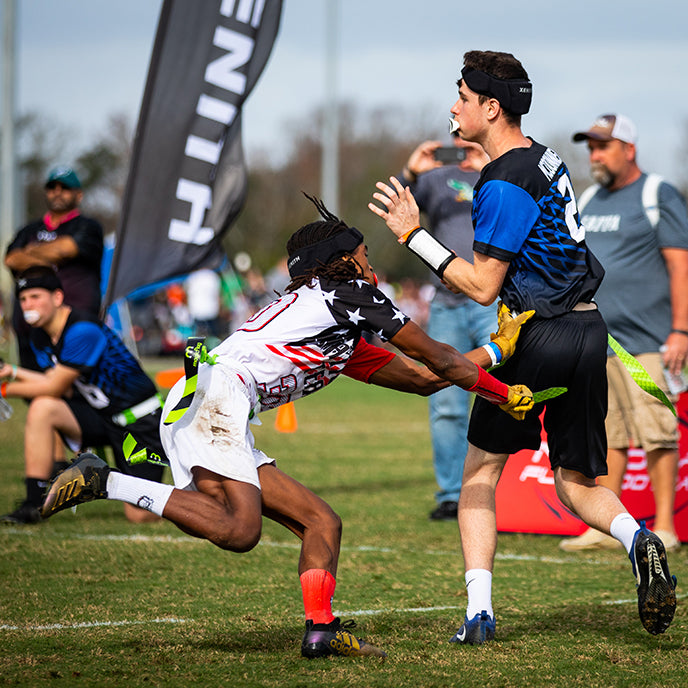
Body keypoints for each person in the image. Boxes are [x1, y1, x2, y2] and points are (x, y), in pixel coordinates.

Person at [40, 196, 534, 660]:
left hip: (211, 400)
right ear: (343, 261)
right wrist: (500, 389)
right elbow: (438, 355)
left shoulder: (331, 322)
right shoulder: (347, 293)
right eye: (362, 253)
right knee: (240, 530)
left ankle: (321, 630)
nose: (369, 263)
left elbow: (426, 378)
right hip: (216, 398)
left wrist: (496, 351)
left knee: (322, 522)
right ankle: (108, 480)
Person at [369, 50, 678, 643]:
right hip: (590, 331)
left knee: (481, 474)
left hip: (537, 334)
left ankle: (479, 615)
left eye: (461, 96)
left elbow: (483, 287)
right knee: (577, 483)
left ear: (491, 106)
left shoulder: (503, 179)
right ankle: (641, 539)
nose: (451, 107)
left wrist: (415, 237)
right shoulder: (546, 157)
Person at [559, 114, 688, 554]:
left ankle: (666, 525)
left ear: (628, 150)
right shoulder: (590, 199)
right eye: (591, 147)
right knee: (607, 436)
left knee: (658, 435)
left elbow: (680, 265)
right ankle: (605, 526)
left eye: (603, 146)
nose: (595, 155)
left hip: (651, 342)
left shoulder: (657, 194)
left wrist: (681, 330)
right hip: (598, 342)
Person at [0, 266, 166, 525]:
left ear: (57, 297)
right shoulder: (40, 336)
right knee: (43, 407)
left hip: (137, 421)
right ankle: (34, 504)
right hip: (101, 417)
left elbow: (54, 385)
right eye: (23, 299)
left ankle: (110, 479)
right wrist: (11, 371)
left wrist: (4, 389)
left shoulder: (82, 329)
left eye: (35, 297)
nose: (27, 304)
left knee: (139, 514)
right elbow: (58, 385)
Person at [398, 134, 495, 521]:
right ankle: (452, 495)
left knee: (505, 395)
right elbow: (391, 208)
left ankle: (507, 492)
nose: (458, 139)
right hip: (448, 304)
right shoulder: (434, 177)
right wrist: (411, 171)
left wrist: (489, 165)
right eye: (452, 132)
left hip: (494, 302)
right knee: (446, 406)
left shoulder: (499, 168)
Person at [4, 166, 104, 370]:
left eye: (65, 188)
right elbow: (12, 260)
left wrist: (31, 253)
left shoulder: (87, 226)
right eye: (52, 187)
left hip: (75, 320)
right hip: (30, 324)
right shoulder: (29, 229)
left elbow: (67, 248)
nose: (57, 192)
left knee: (73, 384)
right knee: (34, 383)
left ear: (79, 194)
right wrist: (53, 253)